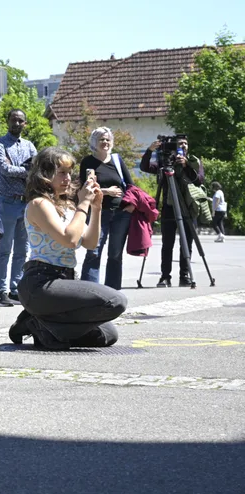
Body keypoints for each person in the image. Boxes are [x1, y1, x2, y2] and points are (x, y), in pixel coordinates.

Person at [11, 147, 128, 349]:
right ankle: (39, 323)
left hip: (63, 281)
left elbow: (90, 243)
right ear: (45, 175)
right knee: (115, 300)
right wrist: (83, 204)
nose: (68, 178)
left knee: (108, 334)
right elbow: (70, 240)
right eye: (61, 172)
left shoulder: (67, 206)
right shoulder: (39, 204)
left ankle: (42, 324)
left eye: (69, 172)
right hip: (40, 283)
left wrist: (96, 208)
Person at [139, 137, 205, 286]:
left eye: (185, 143)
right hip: (169, 208)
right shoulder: (165, 163)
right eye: (180, 143)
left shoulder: (194, 162)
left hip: (188, 208)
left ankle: (184, 276)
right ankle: (165, 276)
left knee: (186, 244)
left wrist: (186, 165)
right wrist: (150, 150)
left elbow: (199, 180)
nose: (183, 145)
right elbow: (144, 167)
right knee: (167, 244)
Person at [77, 128, 135, 289]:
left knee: (115, 255)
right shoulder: (88, 162)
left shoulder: (117, 160)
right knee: (93, 252)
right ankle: (90, 290)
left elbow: (130, 185)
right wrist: (106, 191)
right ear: (94, 142)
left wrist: (130, 206)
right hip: (98, 213)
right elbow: (84, 188)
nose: (105, 142)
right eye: (102, 139)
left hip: (121, 213)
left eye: (108, 139)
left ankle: (112, 291)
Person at [0, 109, 37, 306]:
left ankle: (15, 289)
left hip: (26, 202)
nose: (17, 123)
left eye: (20, 121)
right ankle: (0, 291)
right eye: (13, 120)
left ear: (25, 124)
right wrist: (26, 170)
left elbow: (38, 168)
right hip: (7, 202)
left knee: (22, 250)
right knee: (4, 249)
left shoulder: (29, 146)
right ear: (8, 121)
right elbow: (4, 169)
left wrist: (26, 170)